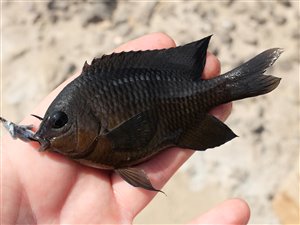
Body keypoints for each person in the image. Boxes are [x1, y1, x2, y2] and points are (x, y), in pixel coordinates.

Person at [2, 33, 250, 224]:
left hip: (176, 100)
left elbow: (138, 130)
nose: (48, 134)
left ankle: (236, 84)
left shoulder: (93, 129)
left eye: (60, 123)